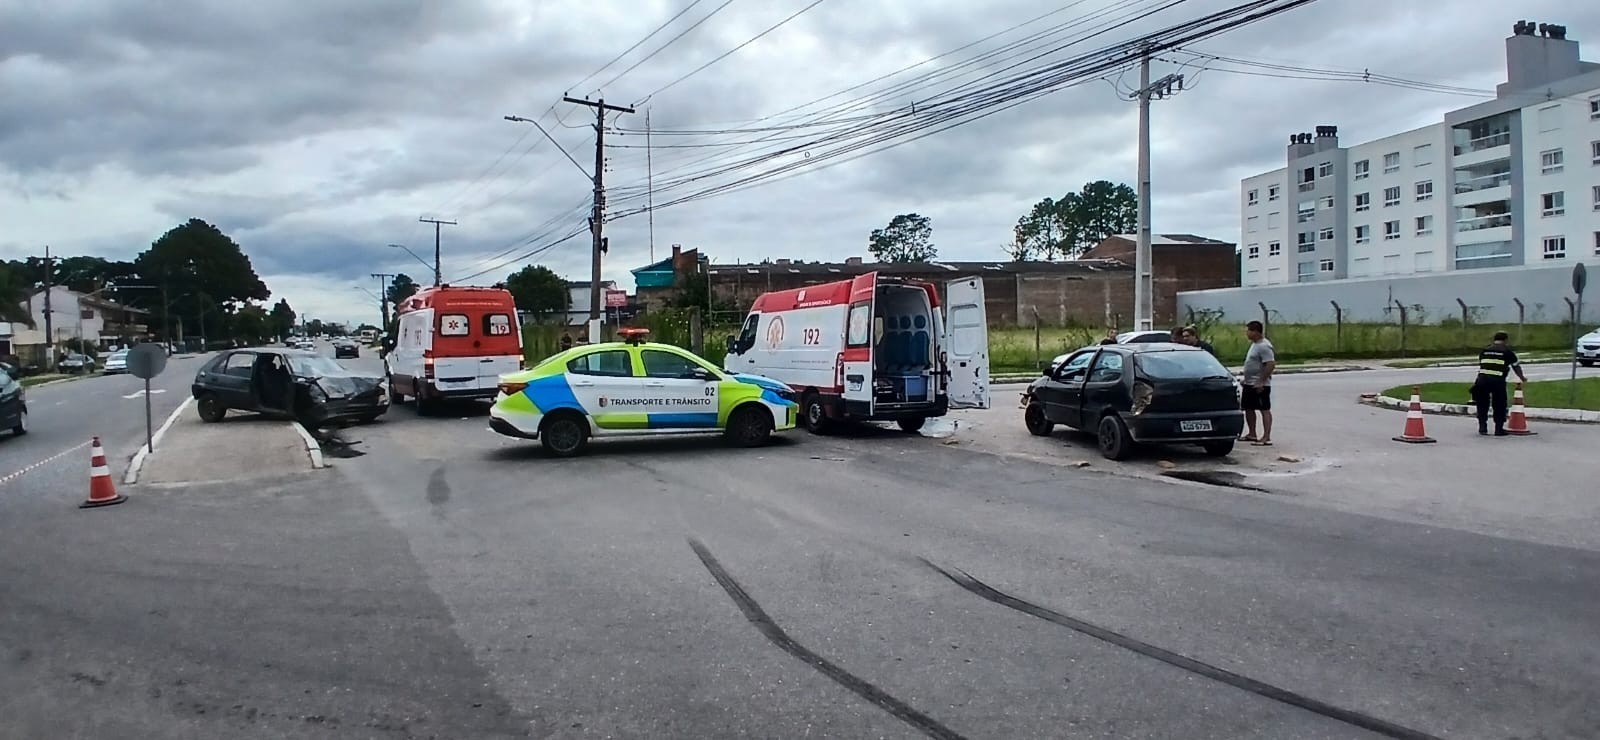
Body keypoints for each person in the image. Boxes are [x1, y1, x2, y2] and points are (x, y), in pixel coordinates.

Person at [1470, 330, 1527, 436]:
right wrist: (1522, 378)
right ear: (1506, 340)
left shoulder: (1484, 351)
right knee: (1499, 404)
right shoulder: (1507, 352)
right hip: (1497, 381)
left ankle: (1482, 427)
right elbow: (1516, 366)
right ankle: (1498, 429)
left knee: (1482, 404)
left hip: (1482, 381)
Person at [1240, 320, 1276, 445]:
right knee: (1248, 408)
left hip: (1260, 384)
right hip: (1249, 383)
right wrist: (1246, 379)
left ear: (1256, 331)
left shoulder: (1264, 346)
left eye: (1249, 331)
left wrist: (1261, 381)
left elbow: (1270, 364)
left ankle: (1266, 437)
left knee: (1264, 409)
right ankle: (1252, 434)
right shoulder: (1255, 344)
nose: (1247, 333)